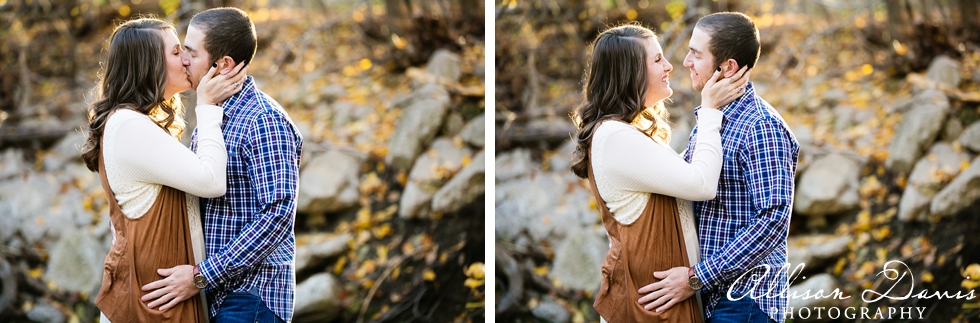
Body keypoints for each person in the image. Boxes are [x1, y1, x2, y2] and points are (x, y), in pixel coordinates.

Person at [570, 23, 749, 322]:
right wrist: (710, 110)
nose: (669, 66)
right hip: (646, 308)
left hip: (663, 304)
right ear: (630, 73)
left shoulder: (630, 132)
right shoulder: (615, 138)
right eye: (657, 60)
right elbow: (702, 183)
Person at [138, 7, 303, 323]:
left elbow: (278, 215)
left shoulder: (263, 120)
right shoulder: (213, 113)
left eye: (191, 52)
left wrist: (201, 276)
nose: (183, 60)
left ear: (223, 64)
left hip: (252, 298)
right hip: (220, 297)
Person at [80, 17, 247, 322]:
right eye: (175, 52)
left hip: (161, 300)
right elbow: (211, 181)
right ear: (148, 65)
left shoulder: (138, 124)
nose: (186, 59)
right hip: (147, 306)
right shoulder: (129, 126)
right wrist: (207, 106)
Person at [637, 12, 799, 323]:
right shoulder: (714, 118)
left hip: (747, 300)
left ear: (727, 68)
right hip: (715, 297)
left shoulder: (760, 127)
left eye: (696, 54)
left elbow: (774, 220)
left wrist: (695, 278)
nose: (685, 62)